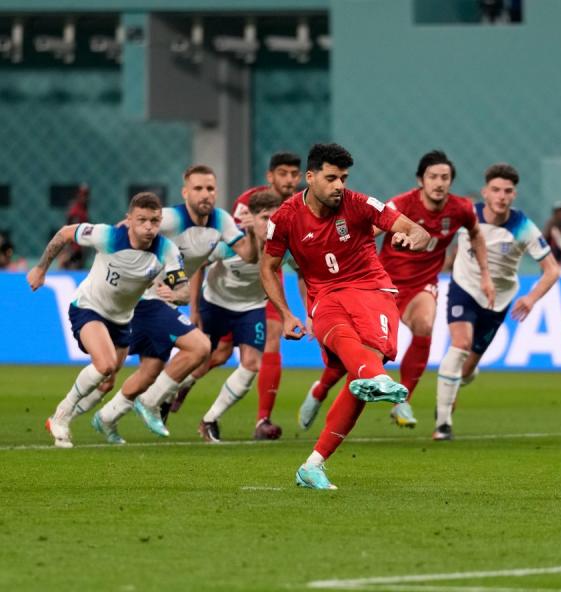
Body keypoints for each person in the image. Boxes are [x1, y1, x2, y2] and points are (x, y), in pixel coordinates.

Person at [260, 143, 430, 490]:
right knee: (346, 345)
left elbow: (419, 231)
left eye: (344, 178)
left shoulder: (360, 204)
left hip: (373, 291)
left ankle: (313, 464)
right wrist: (286, 313)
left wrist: (411, 238)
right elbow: (268, 267)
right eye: (331, 178)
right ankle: (378, 378)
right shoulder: (285, 217)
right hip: (325, 295)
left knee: (362, 375)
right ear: (311, 178)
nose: (339, 185)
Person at [300, 150, 494, 431]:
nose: (439, 183)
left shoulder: (460, 209)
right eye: (433, 177)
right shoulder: (401, 205)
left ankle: (402, 401)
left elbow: (476, 234)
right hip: (381, 287)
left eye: (445, 177)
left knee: (424, 324)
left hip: (421, 286)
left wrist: (485, 274)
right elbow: (366, 232)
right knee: (360, 356)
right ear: (420, 180)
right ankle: (320, 389)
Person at [86, 165, 257, 443]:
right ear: (185, 192)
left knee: (151, 370)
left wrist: (251, 232)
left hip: (165, 302)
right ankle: (148, 403)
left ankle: (106, 418)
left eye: (210, 189)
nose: (205, 194)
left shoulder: (221, 221)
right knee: (198, 347)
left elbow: (249, 256)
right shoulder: (170, 218)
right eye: (198, 188)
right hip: (143, 298)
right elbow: (129, 225)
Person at [26, 193, 184, 447]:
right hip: (88, 308)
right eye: (141, 219)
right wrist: (41, 269)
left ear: (160, 220)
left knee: (107, 382)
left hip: (122, 320)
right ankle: (61, 414)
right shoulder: (108, 236)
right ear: (129, 219)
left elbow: (184, 289)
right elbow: (66, 233)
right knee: (105, 364)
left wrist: (176, 294)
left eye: (154, 221)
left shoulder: (166, 249)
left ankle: (63, 421)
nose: (148, 226)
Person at [168, 151, 303, 439]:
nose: (289, 180)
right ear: (270, 177)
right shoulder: (248, 203)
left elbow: (300, 264)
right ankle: (179, 386)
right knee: (216, 354)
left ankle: (260, 420)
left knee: (269, 339)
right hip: (230, 283)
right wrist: (193, 305)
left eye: (294, 174)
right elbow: (226, 247)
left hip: (264, 284)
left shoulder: (300, 205)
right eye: (283, 173)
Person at [433, 163, 560, 441]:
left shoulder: (523, 226)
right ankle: (443, 423)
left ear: (514, 195)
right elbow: (438, 233)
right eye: (496, 190)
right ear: (485, 192)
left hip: (498, 301)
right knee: (460, 344)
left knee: (465, 372)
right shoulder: (468, 214)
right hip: (464, 287)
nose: (501, 196)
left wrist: (531, 298)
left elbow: (552, 270)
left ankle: (454, 384)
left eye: (508, 191)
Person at [186, 190, 284, 442]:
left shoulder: (286, 242)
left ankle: (209, 420)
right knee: (205, 356)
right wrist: (193, 308)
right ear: (251, 219)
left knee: (251, 362)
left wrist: (304, 313)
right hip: (215, 302)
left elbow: (306, 271)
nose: (270, 224)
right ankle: (165, 394)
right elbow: (197, 265)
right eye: (264, 218)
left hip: (250, 307)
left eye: (275, 218)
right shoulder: (231, 242)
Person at [60, 184, 90, 270]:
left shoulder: (83, 209)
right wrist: (69, 249)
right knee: (70, 267)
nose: (85, 197)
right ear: (78, 195)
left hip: (81, 247)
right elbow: (70, 229)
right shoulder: (75, 210)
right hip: (74, 248)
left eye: (86, 195)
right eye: (83, 195)